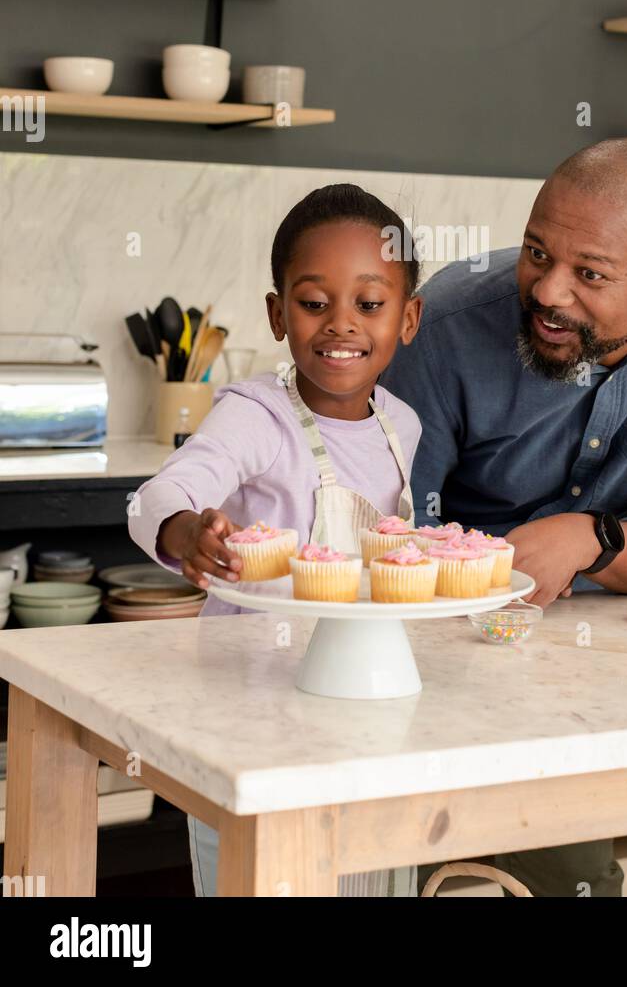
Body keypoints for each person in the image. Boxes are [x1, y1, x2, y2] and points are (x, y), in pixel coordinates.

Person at [381, 139, 627, 898]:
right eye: (537, 253)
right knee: (380, 867)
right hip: (434, 644)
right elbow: (394, 516)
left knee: (573, 882)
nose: (548, 291)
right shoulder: (450, 322)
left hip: (588, 669)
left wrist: (587, 539)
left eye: (588, 274)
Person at [129, 183, 423, 897]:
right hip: (253, 710)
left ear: (407, 318)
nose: (340, 326)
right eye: (314, 303)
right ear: (276, 312)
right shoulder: (255, 414)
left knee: (369, 874)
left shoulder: (402, 425)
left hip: (365, 695)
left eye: (370, 304)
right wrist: (186, 529)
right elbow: (158, 495)